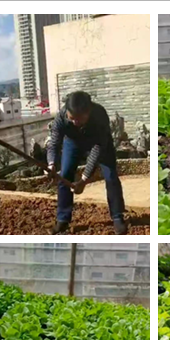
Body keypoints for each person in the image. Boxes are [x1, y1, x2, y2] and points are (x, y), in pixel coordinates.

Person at [47, 91, 127, 234]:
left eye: (80, 119)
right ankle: (62, 219)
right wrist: (51, 164)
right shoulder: (61, 117)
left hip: (100, 144)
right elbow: (54, 143)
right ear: (67, 112)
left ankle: (117, 216)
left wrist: (84, 179)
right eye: (72, 118)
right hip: (73, 142)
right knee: (65, 175)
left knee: (110, 176)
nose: (75, 122)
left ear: (88, 112)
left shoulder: (99, 115)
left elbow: (97, 151)